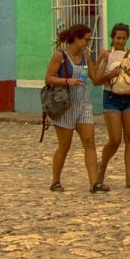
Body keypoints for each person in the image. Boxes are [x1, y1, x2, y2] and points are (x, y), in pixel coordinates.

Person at [45, 25, 103, 193]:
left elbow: (95, 78)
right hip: (65, 105)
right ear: (76, 39)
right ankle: (55, 180)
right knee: (65, 145)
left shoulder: (86, 56)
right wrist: (67, 81)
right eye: (86, 39)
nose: (87, 42)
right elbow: (48, 78)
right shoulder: (60, 56)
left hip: (83, 104)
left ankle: (94, 182)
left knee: (89, 142)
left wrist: (103, 61)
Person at [91, 22, 130, 191]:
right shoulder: (107, 55)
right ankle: (102, 167)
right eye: (118, 38)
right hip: (111, 98)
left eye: (124, 38)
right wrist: (109, 72)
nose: (121, 41)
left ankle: (129, 179)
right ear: (112, 38)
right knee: (115, 139)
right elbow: (97, 80)